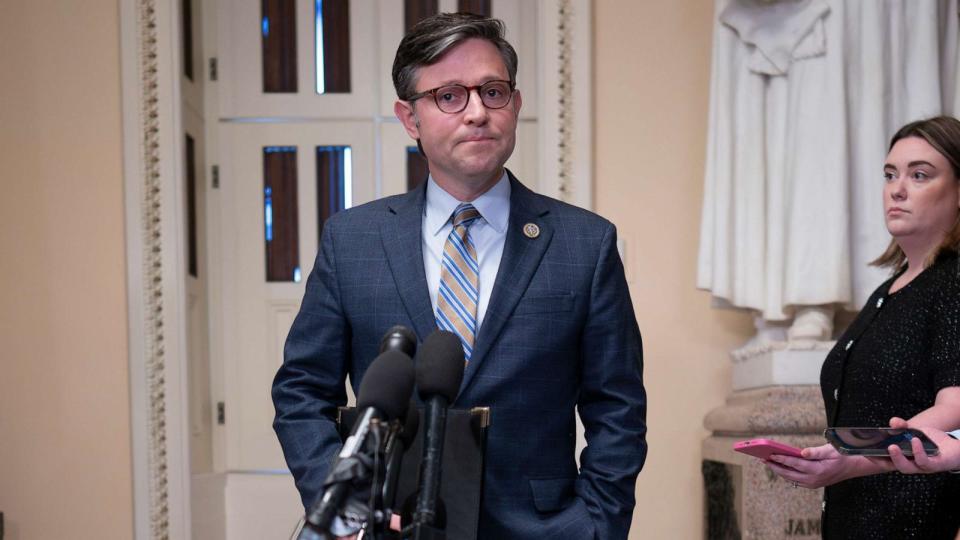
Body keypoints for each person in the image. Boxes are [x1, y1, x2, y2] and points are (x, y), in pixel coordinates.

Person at [271, 13, 647, 540]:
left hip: (545, 528)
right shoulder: (352, 241)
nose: (476, 112)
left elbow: (619, 409)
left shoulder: (585, 244)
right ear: (410, 118)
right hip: (390, 527)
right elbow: (301, 392)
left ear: (514, 105)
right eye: (449, 95)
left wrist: (596, 525)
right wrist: (349, 508)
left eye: (492, 91)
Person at [766, 116, 960, 538]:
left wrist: (854, 459)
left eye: (920, 175)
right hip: (857, 518)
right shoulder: (887, 289)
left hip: (918, 520)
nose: (897, 188)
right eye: (890, 174)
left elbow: (955, 407)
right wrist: (844, 461)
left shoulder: (953, 281)